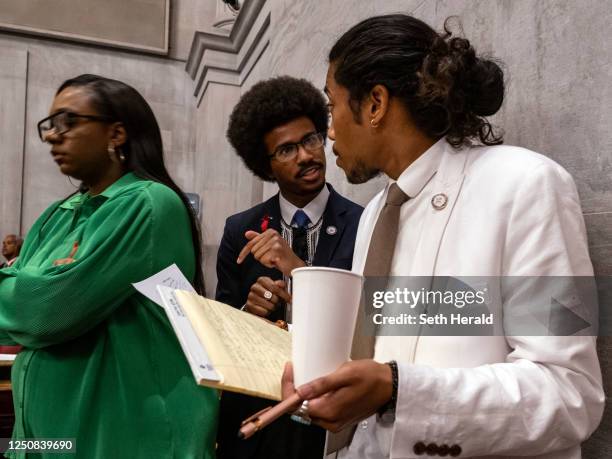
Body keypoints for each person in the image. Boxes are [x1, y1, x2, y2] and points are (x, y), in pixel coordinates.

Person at [281, 14, 604, 458]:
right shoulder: (375, 213)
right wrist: (319, 382)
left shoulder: (526, 185)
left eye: (332, 105)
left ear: (375, 103)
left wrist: (399, 390)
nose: (330, 131)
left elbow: (570, 393)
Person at [0, 74, 218, 458]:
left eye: (68, 121)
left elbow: (44, 313)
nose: (53, 135)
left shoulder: (149, 204)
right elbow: (25, 304)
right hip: (44, 434)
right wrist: (31, 285)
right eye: (49, 125)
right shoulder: (58, 214)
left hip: (120, 432)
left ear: (116, 134)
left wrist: (28, 282)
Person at [215, 76, 363, 459]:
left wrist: (299, 270)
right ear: (265, 166)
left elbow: (367, 323)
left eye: (310, 139)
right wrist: (251, 312)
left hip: (330, 420)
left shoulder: (363, 223)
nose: (305, 156)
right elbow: (223, 326)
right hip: (258, 419)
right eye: (286, 150)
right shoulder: (240, 229)